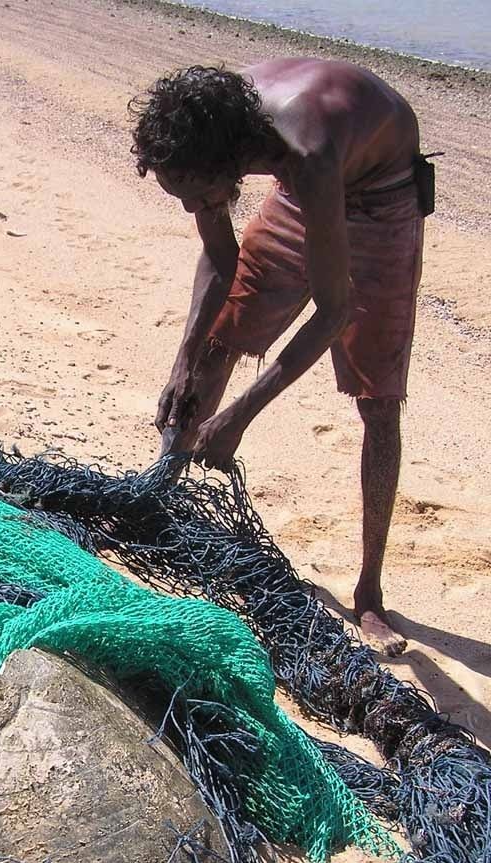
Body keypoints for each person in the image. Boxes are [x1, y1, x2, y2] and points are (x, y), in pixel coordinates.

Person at [130, 58, 433, 656]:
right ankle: (165, 489)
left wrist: (239, 415)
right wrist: (183, 361)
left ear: (229, 164)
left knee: (379, 402)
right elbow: (221, 260)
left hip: (381, 199)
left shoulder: (307, 148)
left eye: (197, 196)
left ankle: (369, 592)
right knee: (219, 343)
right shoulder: (208, 133)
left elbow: (334, 309)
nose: (195, 210)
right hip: (301, 196)